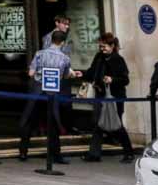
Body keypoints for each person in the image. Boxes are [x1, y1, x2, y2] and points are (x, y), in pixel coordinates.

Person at [18, 29, 81, 163]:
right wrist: (74, 74)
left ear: (52, 40)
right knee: (52, 123)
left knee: (29, 121)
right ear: (62, 43)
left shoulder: (39, 54)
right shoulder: (65, 58)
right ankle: (56, 154)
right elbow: (65, 76)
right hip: (52, 92)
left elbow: (30, 73)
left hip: (37, 92)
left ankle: (23, 152)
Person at [81, 33, 136, 162]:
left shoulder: (118, 59)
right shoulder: (99, 57)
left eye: (104, 46)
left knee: (117, 125)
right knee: (98, 124)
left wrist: (112, 79)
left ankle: (128, 152)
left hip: (115, 97)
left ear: (112, 46)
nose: (102, 49)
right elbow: (92, 71)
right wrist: (82, 75)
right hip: (101, 95)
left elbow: (125, 79)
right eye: (100, 46)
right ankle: (94, 154)